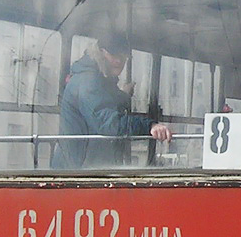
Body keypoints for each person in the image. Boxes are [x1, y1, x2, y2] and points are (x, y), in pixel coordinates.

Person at [52, 33, 172, 168]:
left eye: (123, 56)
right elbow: (107, 122)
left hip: (89, 166)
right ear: (100, 52)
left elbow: (102, 102)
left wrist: (124, 96)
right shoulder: (87, 80)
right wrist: (149, 126)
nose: (119, 61)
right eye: (114, 55)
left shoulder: (101, 80)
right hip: (76, 172)